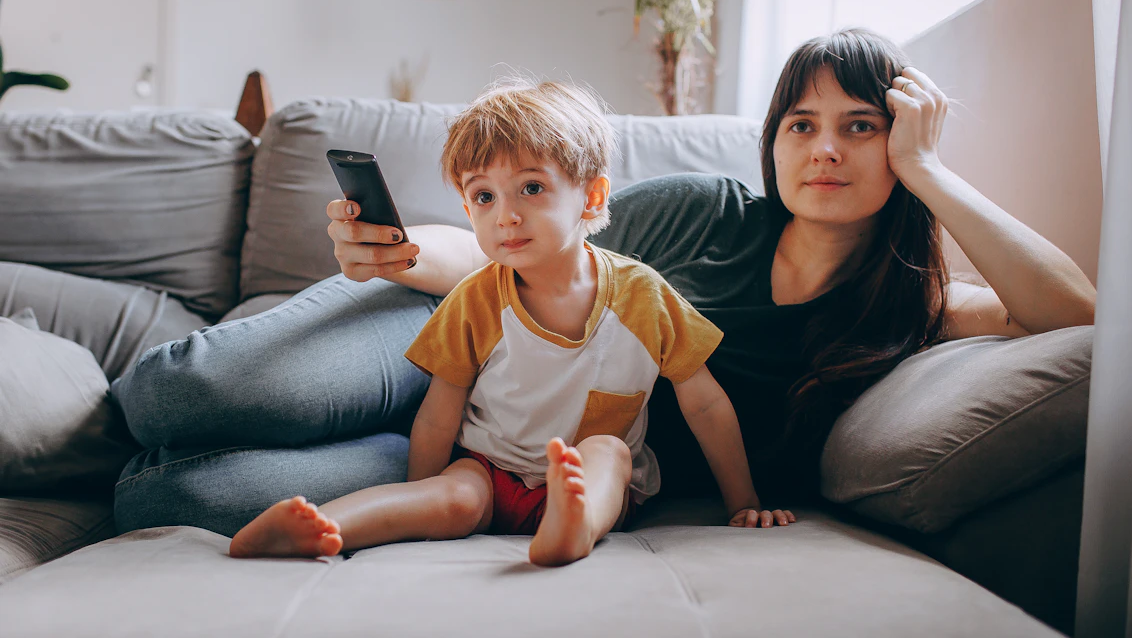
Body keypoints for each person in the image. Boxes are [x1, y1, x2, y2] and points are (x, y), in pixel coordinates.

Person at [111, 28, 1096, 536]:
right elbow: (518, 240)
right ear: (773, 140)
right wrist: (407, 253)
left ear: (900, 142)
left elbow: (1077, 315)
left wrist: (931, 171)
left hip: (511, 460)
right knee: (176, 390)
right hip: (452, 325)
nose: (824, 147)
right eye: (802, 122)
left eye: (860, 125)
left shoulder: (909, 315)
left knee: (167, 497)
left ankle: (122, 472)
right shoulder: (710, 210)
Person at [226, 79, 792, 565]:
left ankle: (573, 526)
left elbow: (706, 404)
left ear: (592, 197)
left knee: (609, 454)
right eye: (484, 197)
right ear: (468, 209)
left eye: (532, 188)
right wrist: (423, 488)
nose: (507, 215)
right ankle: (319, 526)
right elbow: (437, 416)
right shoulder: (476, 300)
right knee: (454, 497)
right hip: (491, 471)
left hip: (592, 480)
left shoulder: (643, 296)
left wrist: (742, 501)